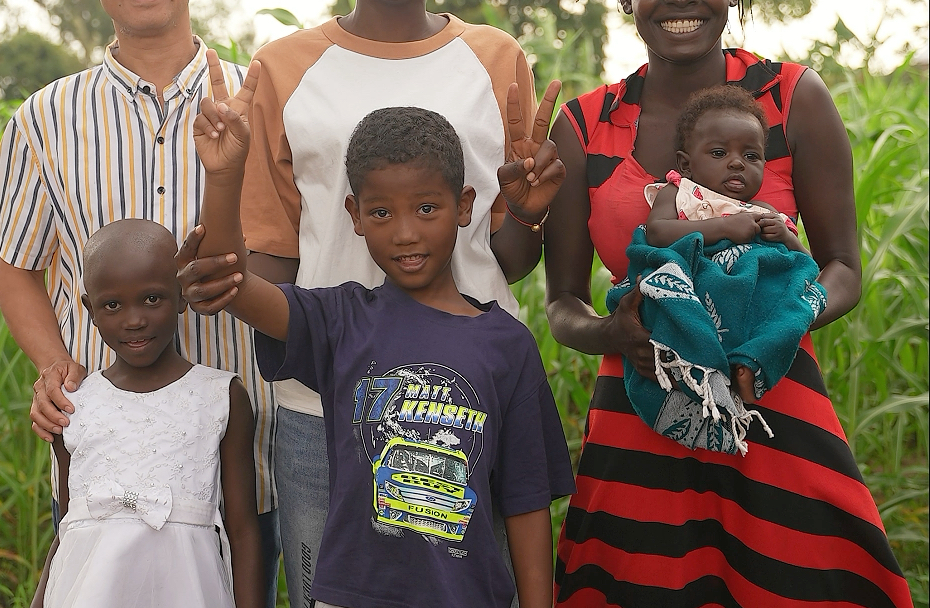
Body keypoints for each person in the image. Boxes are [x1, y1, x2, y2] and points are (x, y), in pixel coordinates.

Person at [177, 3, 558, 606]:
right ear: (359, 217)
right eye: (381, 212)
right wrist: (221, 187)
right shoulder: (282, 68)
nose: (406, 232)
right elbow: (258, 273)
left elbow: (501, 252)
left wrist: (531, 214)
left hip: (477, 388)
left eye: (427, 210)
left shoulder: (496, 57)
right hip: (327, 395)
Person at [544, 0, 913, 605]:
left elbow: (842, 266)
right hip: (641, 415)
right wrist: (614, 333)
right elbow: (563, 303)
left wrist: (776, 321)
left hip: (771, 404)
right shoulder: (586, 124)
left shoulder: (792, 97)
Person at [0, 1, 280, 604]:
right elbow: (16, 271)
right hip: (107, 473)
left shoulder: (261, 101)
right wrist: (55, 366)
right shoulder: (45, 118)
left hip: (250, 450)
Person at [41, 219, 262, 607]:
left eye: (152, 299)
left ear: (181, 297)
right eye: (113, 305)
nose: (134, 319)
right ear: (90, 310)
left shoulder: (220, 396)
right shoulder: (73, 405)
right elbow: (67, 531)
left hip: (188, 590)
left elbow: (243, 530)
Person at [608, 84, 828, 456]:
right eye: (719, 153)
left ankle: (750, 364)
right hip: (696, 290)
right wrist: (723, 228)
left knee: (790, 303)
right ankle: (702, 364)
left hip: (745, 303)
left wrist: (784, 236)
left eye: (752, 155)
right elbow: (657, 233)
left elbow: (805, 265)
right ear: (686, 163)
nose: (737, 162)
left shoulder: (761, 210)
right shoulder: (678, 194)